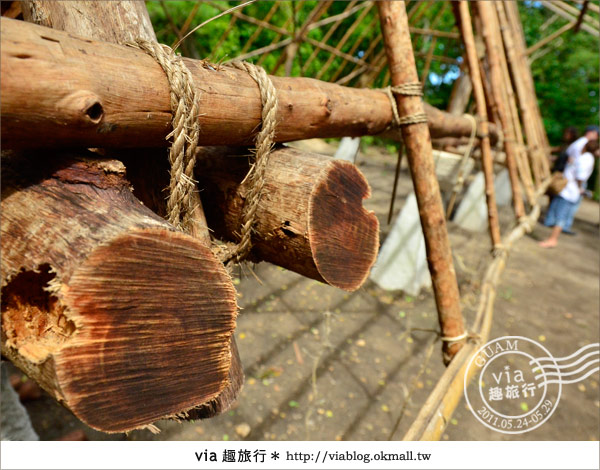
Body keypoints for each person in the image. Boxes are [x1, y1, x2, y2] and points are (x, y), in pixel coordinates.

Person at [540, 138, 599, 248]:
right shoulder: (586, 158)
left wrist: (579, 187)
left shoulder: (586, 159)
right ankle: (552, 238)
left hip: (570, 192)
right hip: (568, 191)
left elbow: (580, 176)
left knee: (561, 217)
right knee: (558, 214)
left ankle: (553, 239)